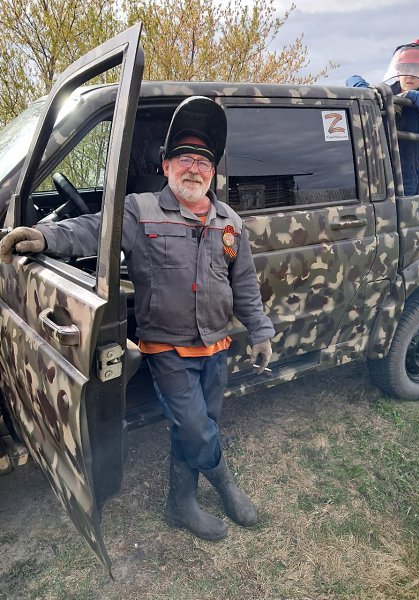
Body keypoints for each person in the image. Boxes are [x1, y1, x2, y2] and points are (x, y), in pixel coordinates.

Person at [0, 96, 275, 541]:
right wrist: (44, 236)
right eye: (184, 159)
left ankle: (180, 504)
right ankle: (225, 485)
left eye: (203, 162)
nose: (194, 169)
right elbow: (90, 229)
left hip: (216, 346)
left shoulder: (230, 223)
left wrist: (260, 331)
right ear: (166, 166)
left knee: (202, 424)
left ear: (213, 172)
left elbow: (243, 284)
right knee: (194, 427)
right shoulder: (139, 210)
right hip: (168, 348)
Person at [346, 40, 419, 195]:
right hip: (379, 164)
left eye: (417, 69)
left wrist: (413, 96)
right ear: (398, 71)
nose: (410, 74)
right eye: (406, 68)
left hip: (409, 167)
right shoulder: (386, 91)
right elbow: (352, 78)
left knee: (405, 202)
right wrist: (366, 91)